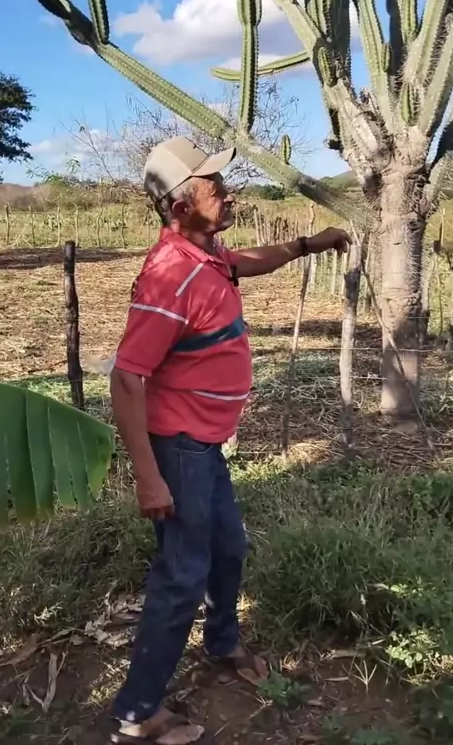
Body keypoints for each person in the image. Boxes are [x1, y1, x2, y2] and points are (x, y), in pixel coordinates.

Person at [109, 137, 350, 744]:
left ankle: (221, 644)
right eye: (215, 188)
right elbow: (127, 377)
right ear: (180, 206)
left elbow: (247, 261)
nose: (230, 194)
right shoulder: (171, 276)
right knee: (182, 575)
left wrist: (307, 245)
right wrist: (148, 476)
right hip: (179, 448)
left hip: (205, 444)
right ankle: (137, 712)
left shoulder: (207, 254)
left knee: (229, 550)